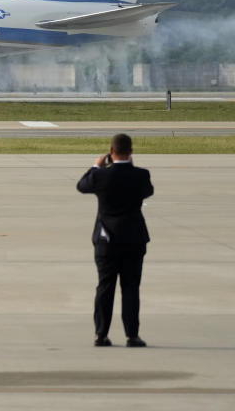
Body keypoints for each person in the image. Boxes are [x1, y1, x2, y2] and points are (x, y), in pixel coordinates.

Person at [76, 133, 153, 347]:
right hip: (133, 238)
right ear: (131, 151)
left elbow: (81, 186)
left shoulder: (101, 177)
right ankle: (132, 335)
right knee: (130, 287)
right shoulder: (141, 175)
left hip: (106, 239)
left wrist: (96, 167)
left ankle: (101, 334)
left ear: (111, 151)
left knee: (105, 286)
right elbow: (148, 191)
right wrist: (131, 167)